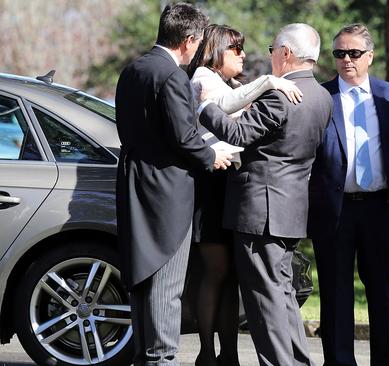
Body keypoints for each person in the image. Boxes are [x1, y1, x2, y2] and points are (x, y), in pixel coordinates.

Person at [197, 23, 332, 366]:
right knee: (283, 296)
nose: (270, 54)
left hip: (261, 211)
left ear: (286, 53)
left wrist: (204, 107)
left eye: (273, 48)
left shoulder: (280, 94)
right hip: (290, 210)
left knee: (264, 301)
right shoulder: (322, 96)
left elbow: (237, 133)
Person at [114, 3, 232, 366]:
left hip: (133, 183)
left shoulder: (132, 70)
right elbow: (184, 137)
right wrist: (212, 157)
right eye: (198, 43)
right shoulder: (172, 76)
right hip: (167, 192)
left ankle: (143, 354)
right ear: (190, 39)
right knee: (166, 283)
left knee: (141, 278)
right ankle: (161, 358)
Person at [307, 23, 389, 366]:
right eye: (339, 53)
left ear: (369, 57)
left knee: (382, 291)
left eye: (354, 53)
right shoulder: (321, 96)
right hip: (335, 210)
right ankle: (340, 361)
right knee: (335, 293)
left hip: (381, 208)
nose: (347, 60)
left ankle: (385, 360)